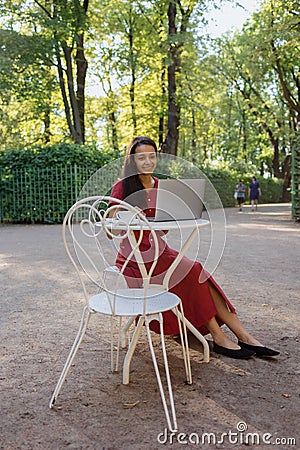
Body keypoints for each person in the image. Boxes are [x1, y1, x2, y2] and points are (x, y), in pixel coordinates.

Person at [109, 136, 279, 359]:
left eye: (152, 156)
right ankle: (219, 337)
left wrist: (170, 217)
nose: (147, 162)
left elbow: (163, 228)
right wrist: (126, 214)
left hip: (161, 252)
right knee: (194, 272)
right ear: (132, 160)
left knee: (199, 273)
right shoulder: (122, 186)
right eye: (141, 158)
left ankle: (244, 335)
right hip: (135, 259)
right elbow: (111, 226)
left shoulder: (161, 185)